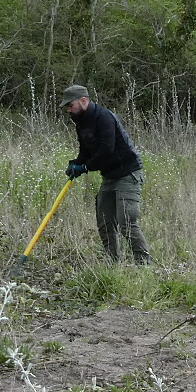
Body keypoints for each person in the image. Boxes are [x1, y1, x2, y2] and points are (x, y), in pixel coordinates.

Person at [59, 85, 150, 264]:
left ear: (83, 101)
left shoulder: (104, 117)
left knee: (127, 222)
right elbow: (85, 150)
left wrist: (85, 168)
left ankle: (144, 265)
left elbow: (106, 149)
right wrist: (76, 163)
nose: (69, 110)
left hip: (128, 174)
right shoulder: (80, 121)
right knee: (104, 222)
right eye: (67, 107)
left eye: (71, 105)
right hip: (109, 176)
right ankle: (111, 263)